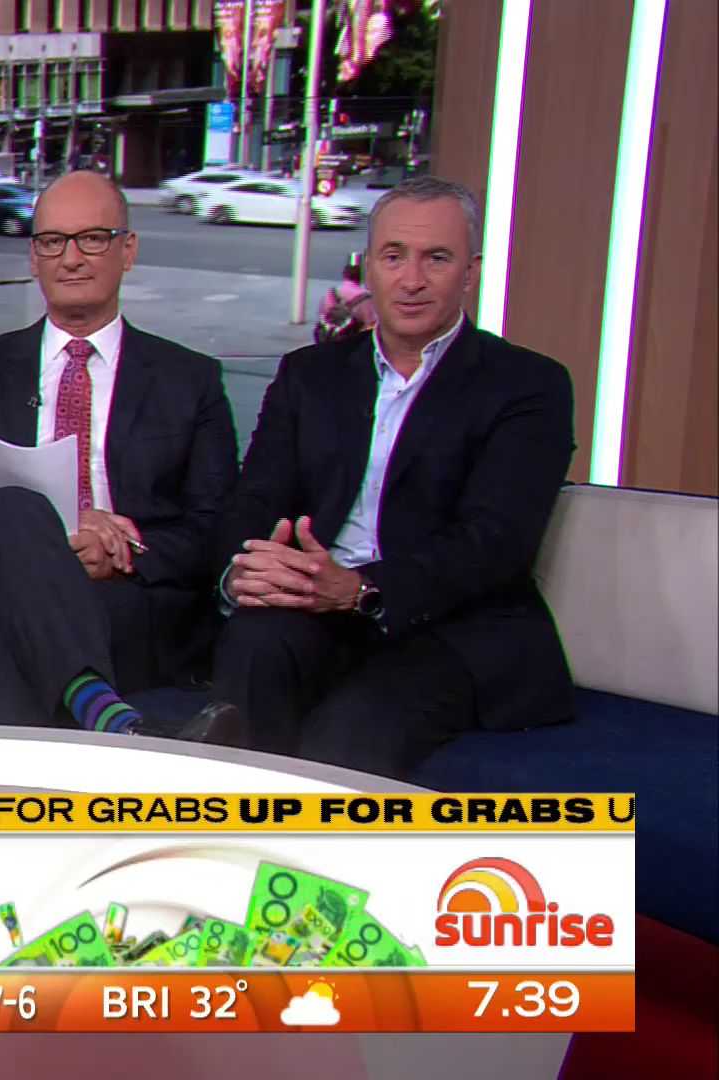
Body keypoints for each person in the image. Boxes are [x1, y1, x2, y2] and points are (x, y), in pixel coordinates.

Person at [199, 175, 577, 778]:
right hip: (314, 608)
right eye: (394, 256)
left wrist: (360, 589)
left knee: (353, 729)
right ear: (369, 266)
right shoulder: (309, 374)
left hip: (448, 628)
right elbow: (255, 498)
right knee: (252, 651)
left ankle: (306, 841)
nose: (412, 279)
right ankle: (227, 828)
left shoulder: (529, 386)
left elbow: (494, 542)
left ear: (471, 273)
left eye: (437, 258)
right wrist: (247, 569)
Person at [0, 171, 238, 732]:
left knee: (13, 634)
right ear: (34, 258)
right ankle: (112, 721)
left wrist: (124, 548)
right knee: (12, 502)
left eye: (93, 239)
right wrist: (59, 525)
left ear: (127, 250)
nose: (71, 258)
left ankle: (91, 713)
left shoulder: (190, 379)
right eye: (53, 241)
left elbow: (217, 526)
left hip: (123, 597)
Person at [315, 254, 374, 343]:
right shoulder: (365, 298)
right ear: (360, 277)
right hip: (350, 343)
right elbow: (370, 325)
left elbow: (322, 314)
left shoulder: (331, 293)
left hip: (328, 339)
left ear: (344, 275)